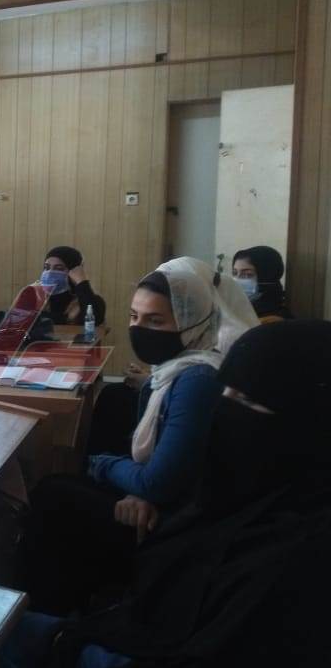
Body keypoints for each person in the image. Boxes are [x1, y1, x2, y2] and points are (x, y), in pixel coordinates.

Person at [0, 320, 331, 668]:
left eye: (245, 401)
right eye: (225, 393)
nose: (223, 412)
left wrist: (71, 656)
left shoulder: (298, 562)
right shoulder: (254, 499)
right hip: (133, 654)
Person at [22, 257, 258, 615]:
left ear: (193, 321)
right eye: (134, 317)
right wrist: (137, 488)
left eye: (156, 321)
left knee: (53, 495)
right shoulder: (178, 366)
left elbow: (158, 483)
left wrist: (104, 466)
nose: (140, 329)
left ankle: (49, 619)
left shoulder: (196, 379)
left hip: (174, 524)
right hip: (162, 500)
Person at [37, 246, 106, 325]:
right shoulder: (36, 298)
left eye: (59, 268)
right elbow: (29, 321)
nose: (50, 273)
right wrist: (66, 318)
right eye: (46, 267)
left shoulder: (90, 300)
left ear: (73, 272)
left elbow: (94, 321)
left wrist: (81, 282)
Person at [232, 245, 292, 322]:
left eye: (247, 274)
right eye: (235, 273)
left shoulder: (274, 320)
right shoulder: (236, 309)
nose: (237, 280)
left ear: (267, 276)